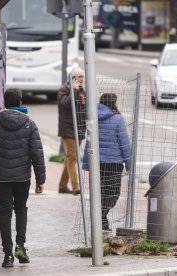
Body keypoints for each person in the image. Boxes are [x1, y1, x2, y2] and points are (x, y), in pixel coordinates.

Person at [0, 88, 46, 268]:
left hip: (1, 178)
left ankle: (8, 255)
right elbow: (37, 154)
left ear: (5, 102)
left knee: (5, 214)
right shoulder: (29, 124)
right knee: (21, 209)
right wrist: (41, 179)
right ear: (21, 102)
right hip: (22, 177)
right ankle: (20, 246)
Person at [83, 93, 132, 231]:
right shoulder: (117, 119)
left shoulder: (92, 118)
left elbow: (89, 141)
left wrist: (87, 163)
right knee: (113, 193)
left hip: (96, 162)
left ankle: (101, 219)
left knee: (100, 192)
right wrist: (129, 164)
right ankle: (101, 217)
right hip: (113, 162)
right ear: (113, 103)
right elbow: (124, 144)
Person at [57, 66, 87, 195]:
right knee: (73, 157)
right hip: (68, 129)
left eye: (82, 77)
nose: (81, 79)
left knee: (70, 157)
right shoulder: (64, 90)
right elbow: (66, 104)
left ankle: (62, 186)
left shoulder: (82, 91)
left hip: (79, 129)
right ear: (72, 78)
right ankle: (76, 187)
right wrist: (74, 91)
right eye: (78, 77)